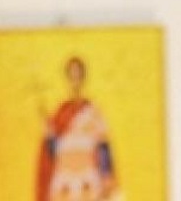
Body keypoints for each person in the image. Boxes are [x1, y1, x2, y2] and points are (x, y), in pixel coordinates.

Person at [36, 57, 119, 201]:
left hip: (88, 181)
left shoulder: (93, 112)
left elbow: (103, 148)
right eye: (72, 76)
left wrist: (106, 177)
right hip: (65, 183)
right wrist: (49, 133)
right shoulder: (60, 114)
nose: (75, 80)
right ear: (67, 78)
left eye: (78, 75)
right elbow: (54, 151)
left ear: (83, 78)